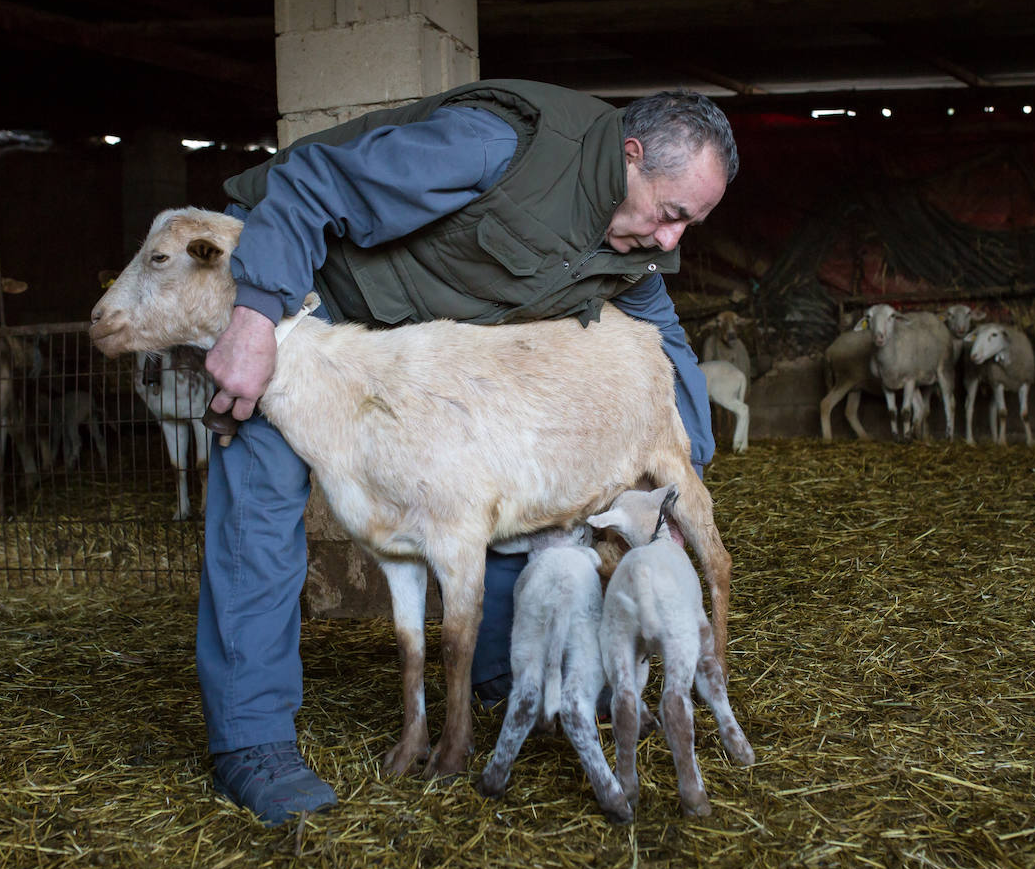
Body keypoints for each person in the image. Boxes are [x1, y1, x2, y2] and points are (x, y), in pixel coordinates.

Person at [198, 79, 738, 826]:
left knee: (508, 478)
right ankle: (250, 741)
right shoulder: (496, 146)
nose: (674, 239)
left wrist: (684, 469)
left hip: (406, 344)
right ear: (632, 157)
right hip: (301, 280)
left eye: (691, 225)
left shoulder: (635, 243)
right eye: (672, 213)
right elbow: (312, 186)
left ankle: (496, 672)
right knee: (259, 496)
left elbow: (664, 344)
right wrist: (255, 316)